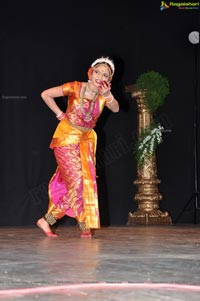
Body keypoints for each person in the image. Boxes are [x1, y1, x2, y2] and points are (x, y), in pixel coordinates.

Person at [36, 56, 119, 238]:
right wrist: (60, 114)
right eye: (98, 72)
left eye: (105, 74)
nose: (100, 76)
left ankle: (48, 220)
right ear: (91, 72)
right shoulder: (76, 87)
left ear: (108, 80)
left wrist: (108, 95)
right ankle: (84, 225)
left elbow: (116, 108)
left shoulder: (104, 96)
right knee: (78, 183)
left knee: (80, 184)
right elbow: (45, 94)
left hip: (86, 141)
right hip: (66, 139)